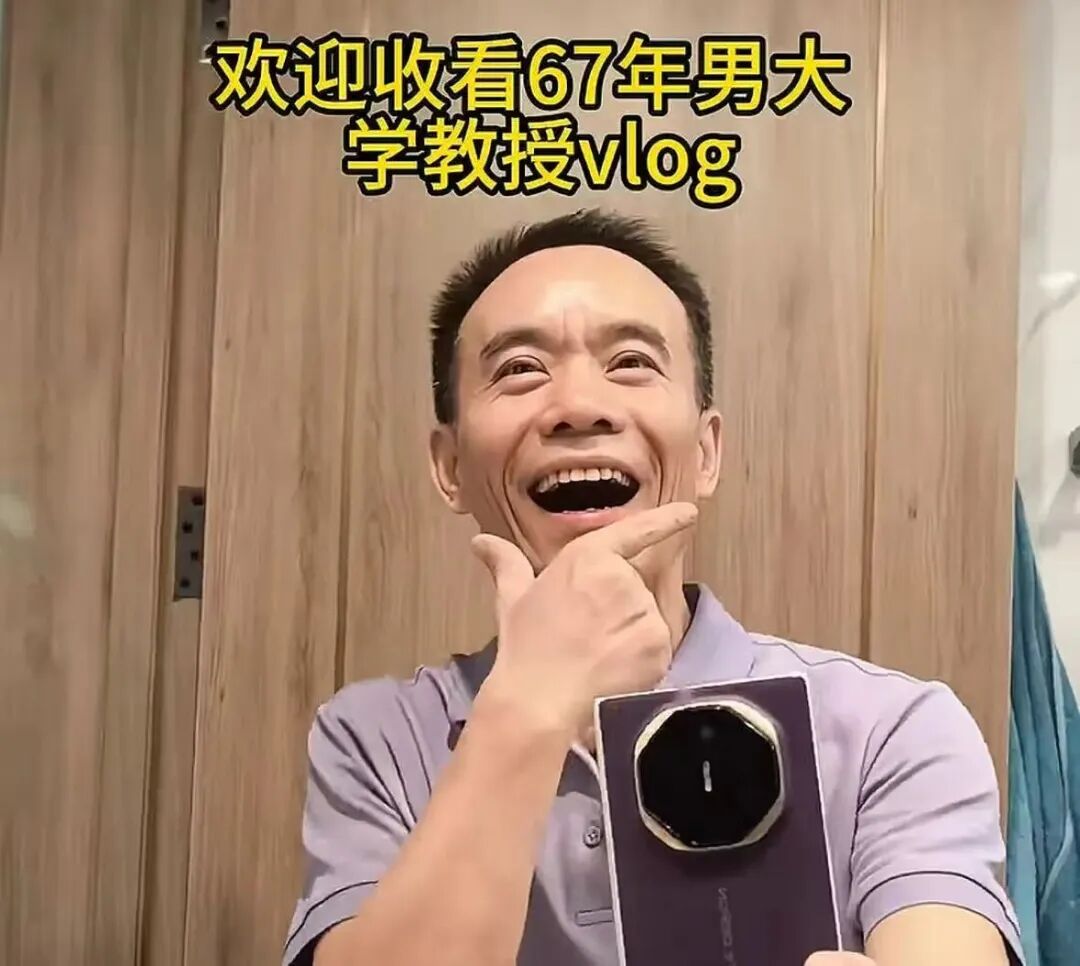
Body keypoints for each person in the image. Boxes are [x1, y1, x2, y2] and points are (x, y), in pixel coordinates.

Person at [282, 209, 1024, 966]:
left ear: (705, 453)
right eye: (519, 370)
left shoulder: (889, 731)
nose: (578, 407)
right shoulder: (375, 741)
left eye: (632, 361)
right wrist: (528, 706)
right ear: (449, 468)